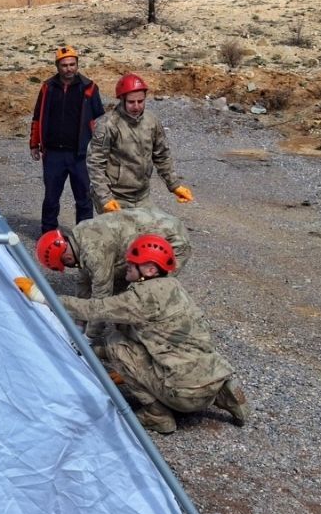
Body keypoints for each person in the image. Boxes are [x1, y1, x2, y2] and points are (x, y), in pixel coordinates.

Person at [18, 235, 248, 435]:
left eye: (132, 263)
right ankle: (230, 397)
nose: (126, 265)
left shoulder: (139, 299)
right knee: (186, 349)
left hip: (183, 393)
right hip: (216, 376)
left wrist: (42, 296)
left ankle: (158, 416)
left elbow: (93, 308)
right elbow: (147, 334)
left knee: (115, 344)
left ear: (149, 270)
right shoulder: (174, 287)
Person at [35, 206, 192, 302]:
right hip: (157, 226)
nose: (71, 267)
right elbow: (83, 280)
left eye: (66, 265)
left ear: (68, 258)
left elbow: (101, 297)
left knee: (149, 291)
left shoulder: (93, 252)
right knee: (122, 285)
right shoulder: (78, 235)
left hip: (172, 241)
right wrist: (79, 321)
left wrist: (88, 337)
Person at [87, 73, 193, 214]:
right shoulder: (107, 125)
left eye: (140, 101)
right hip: (115, 196)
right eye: (131, 102)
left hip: (141, 196)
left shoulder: (151, 121)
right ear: (122, 100)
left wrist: (174, 185)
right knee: (121, 234)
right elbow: (95, 164)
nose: (136, 106)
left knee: (149, 232)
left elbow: (162, 156)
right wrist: (105, 198)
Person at [29, 45, 105, 233]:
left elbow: (101, 120)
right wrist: (34, 144)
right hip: (53, 154)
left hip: (80, 154)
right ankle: (48, 234)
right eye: (64, 65)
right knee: (51, 198)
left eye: (72, 64)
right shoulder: (48, 87)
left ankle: (84, 236)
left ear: (77, 64)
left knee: (84, 198)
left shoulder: (89, 88)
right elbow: (37, 116)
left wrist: (101, 150)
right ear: (57, 66)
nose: (69, 68)